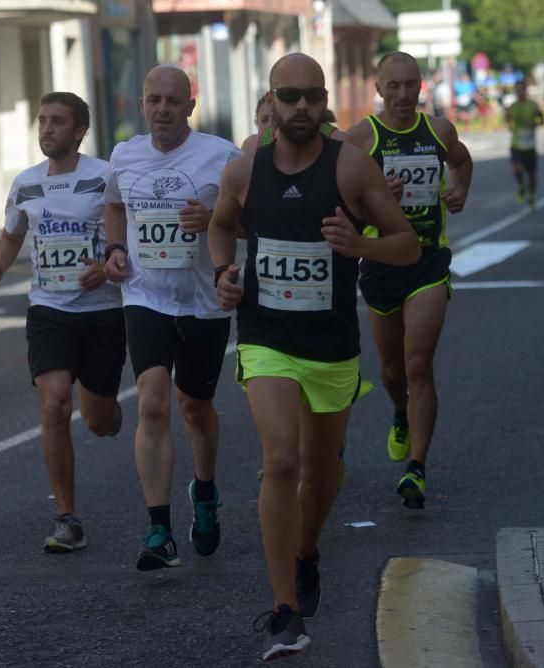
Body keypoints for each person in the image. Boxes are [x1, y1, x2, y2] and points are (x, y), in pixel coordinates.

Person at [208, 53, 419, 661]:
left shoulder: (351, 167)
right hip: (266, 338)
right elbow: (222, 226)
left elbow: (406, 245)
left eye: (312, 97)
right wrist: (226, 270)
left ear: (326, 103)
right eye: (289, 96)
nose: (301, 107)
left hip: (330, 348)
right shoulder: (243, 171)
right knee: (280, 460)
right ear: (270, 101)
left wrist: (362, 245)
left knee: (320, 480)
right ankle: (283, 611)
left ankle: (306, 551)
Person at [103, 65, 242, 571]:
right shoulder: (124, 154)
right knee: (154, 402)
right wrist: (116, 247)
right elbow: (114, 205)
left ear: (190, 105)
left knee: (196, 407)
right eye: (153, 100)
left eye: (171, 100)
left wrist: (216, 221)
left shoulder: (221, 156)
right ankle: (158, 526)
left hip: (203, 300)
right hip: (145, 296)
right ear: (142, 105)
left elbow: (254, 218)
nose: (162, 109)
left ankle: (204, 489)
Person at [0, 92, 125, 553]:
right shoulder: (25, 184)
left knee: (98, 420)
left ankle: (108, 414)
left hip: (102, 311)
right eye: (42, 121)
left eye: (57, 122)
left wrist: (106, 266)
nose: (47, 129)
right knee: (55, 406)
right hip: (49, 311)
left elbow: (130, 237)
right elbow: (11, 236)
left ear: (79, 131)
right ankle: (67, 517)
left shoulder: (105, 178)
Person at [346, 51, 473, 511]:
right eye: (392, 86)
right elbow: (336, 201)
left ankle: (416, 468)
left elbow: (462, 161)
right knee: (393, 369)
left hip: (427, 260)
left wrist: (460, 190)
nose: (402, 94)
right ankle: (400, 412)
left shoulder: (438, 131)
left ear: (422, 86)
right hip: (380, 263)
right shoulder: (360, 139)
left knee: (418, 363)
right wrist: (375, 200)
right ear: (378, 89)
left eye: (410, 85)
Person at [505, 80, 544, 208]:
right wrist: (510, 125)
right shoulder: (513, 107)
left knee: (532, 175)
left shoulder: (533, 105)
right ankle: (522, 186)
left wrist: (534, 123)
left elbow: (542, 120)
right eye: (518, 90)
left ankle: (532, 197)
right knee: (517, 168)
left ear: (526, 91)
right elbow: (507, 121)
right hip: (517, 144)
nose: (520, 93)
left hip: (530, 145)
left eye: (522, 90)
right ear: (516, 92)